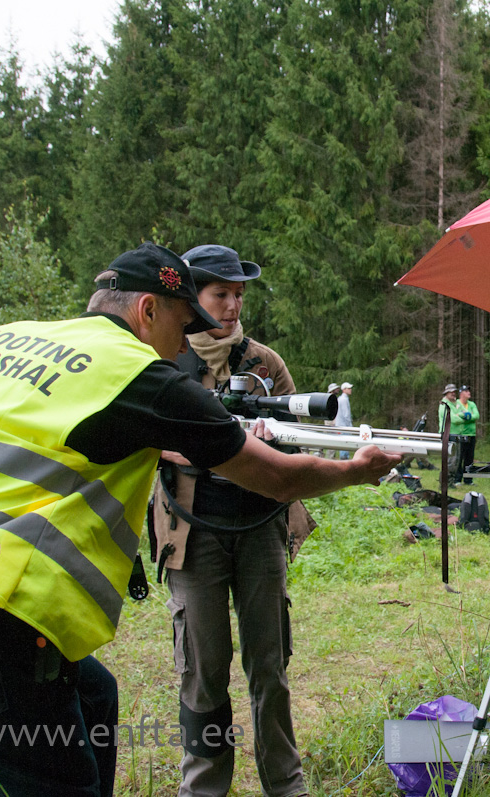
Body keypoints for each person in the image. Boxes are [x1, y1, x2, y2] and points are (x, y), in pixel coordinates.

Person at [0, 242, 400, 797]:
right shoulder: (140, 375)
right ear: (147, 311)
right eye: (181, 322)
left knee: (96, 697)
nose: (181, 345)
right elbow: (279, 478)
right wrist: (356, 471)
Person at [152, 244, 314, 797]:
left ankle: (285, 783)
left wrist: (276, 440)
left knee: (269, 665)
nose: (232, 305)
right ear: (192, 299)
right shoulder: (164, 363)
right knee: (203, 667)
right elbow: (144, 438)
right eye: (220, 293)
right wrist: (208, 446)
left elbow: (299, 443)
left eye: (239, 295)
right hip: (192, 530)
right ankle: (203, 787)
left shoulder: (264, 363)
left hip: (261, 526)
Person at [451, 385, 479, 484]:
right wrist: (467, 415)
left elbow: (476, 415)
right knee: (459, 457)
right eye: (466, 391)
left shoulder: (472, 404)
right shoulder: (457, 403)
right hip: (461, 434)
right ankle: (457, 479)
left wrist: (466, 416)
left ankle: (468, 479)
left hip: (471, 434)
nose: (469, 393)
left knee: (469, 458)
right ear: (461, 393)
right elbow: (457, 416)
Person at [437, 383, 461, 485]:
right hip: (448, 434)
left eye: (454, 391)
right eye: (451, 392)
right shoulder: (444, 404)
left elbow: (464, 414)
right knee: (450, 460)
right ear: (446, 393)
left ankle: (449, 481)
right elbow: (453, 418)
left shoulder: (456, 403)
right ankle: (446, 482)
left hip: (456, 434)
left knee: (455, 460)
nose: (453, 393)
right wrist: (460, 416)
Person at [335, 381, 354, 460]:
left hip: (340, 424)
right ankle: (344, 460)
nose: (350, 390)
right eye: (348, 388)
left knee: (343, 443)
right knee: (345, 443)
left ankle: (344, 459)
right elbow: (346, 414)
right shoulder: (344, 400)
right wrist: (349, 425)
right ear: (344, 389)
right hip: (344, 425)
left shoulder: (340, 399)